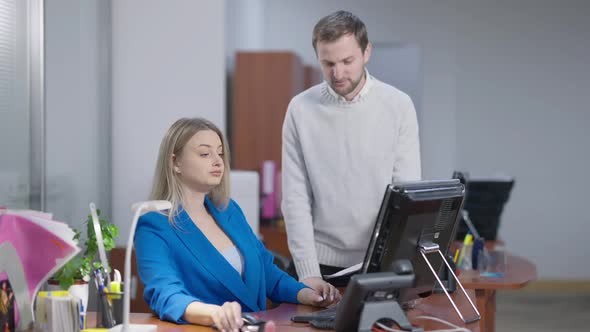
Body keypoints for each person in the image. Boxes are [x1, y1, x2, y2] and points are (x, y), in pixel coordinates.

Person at [135, 118, 340, 331]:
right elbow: (165, 294)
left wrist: (307, 294)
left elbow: (267, 272)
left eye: (220, 153)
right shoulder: (153, 225)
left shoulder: (228, 210)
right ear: (175, 162)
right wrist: (215, 314)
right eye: (205, 154)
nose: (218, 161)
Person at [282, 10, 422, 289]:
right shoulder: (300, 108)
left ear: (366, 52)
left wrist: (394, 256)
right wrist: (308, 272)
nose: (338, 73)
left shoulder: (398, 105)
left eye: (347, 61)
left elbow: (407, 192)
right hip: (320, 264)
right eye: (328, 63)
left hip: (381, 260)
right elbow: (295, 197)